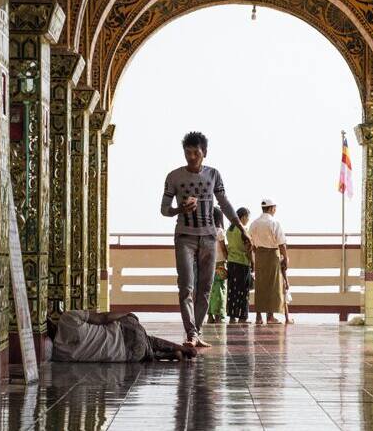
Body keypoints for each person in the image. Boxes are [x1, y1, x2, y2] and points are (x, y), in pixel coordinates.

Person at [160, 131, 248, 348]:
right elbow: (164, 210)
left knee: (205, 288)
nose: (191, 157)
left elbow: (224, 203)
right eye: (187, 153)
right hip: (184, 237)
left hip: (209, 237)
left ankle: (196, 332)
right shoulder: (174, 177)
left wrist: (241, 227)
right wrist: (180, 208)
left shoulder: (214, 175)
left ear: (204, 153)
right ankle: (190, 333)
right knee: (186, 286)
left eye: (196, 153)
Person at [48, 310, 197, 362]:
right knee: (147, 339)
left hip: (128, 356)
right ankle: (180, 348)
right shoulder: (67, 318)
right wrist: (127, 314)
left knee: (146, 351)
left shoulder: (58, 354)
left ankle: (170, 355)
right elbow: (103, 318)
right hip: (126, 333)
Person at [249, 198, 289, 324]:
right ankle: (270, 316)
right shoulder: (274, 222)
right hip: (272, 254)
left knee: (260, 285)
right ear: (271, 208)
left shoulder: (254, 223)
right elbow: (282, 243)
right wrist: (285, 258)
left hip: (259, 254)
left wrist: (256, 252)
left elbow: (249, 241)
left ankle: (258, 317)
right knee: (272, 285)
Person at [225, 207, 253, 323]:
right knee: (243, 290)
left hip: (231, 262)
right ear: (243, 217)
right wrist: (252, 262)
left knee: (232, 289)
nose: (248, 220)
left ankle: (232, 316)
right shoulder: (244, 230)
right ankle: (242, 316)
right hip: (242, 262)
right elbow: (248, 249)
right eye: (248, 217)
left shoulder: (229, 230)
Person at [207, 207, 227, 324]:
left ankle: (210, 315)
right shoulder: (219, 231)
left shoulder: (206, 230)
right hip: (220, 262)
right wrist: (228, 258)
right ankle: (219, 315)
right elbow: (223, 248)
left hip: (208, 263)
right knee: (220, 289)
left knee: (209, 289)